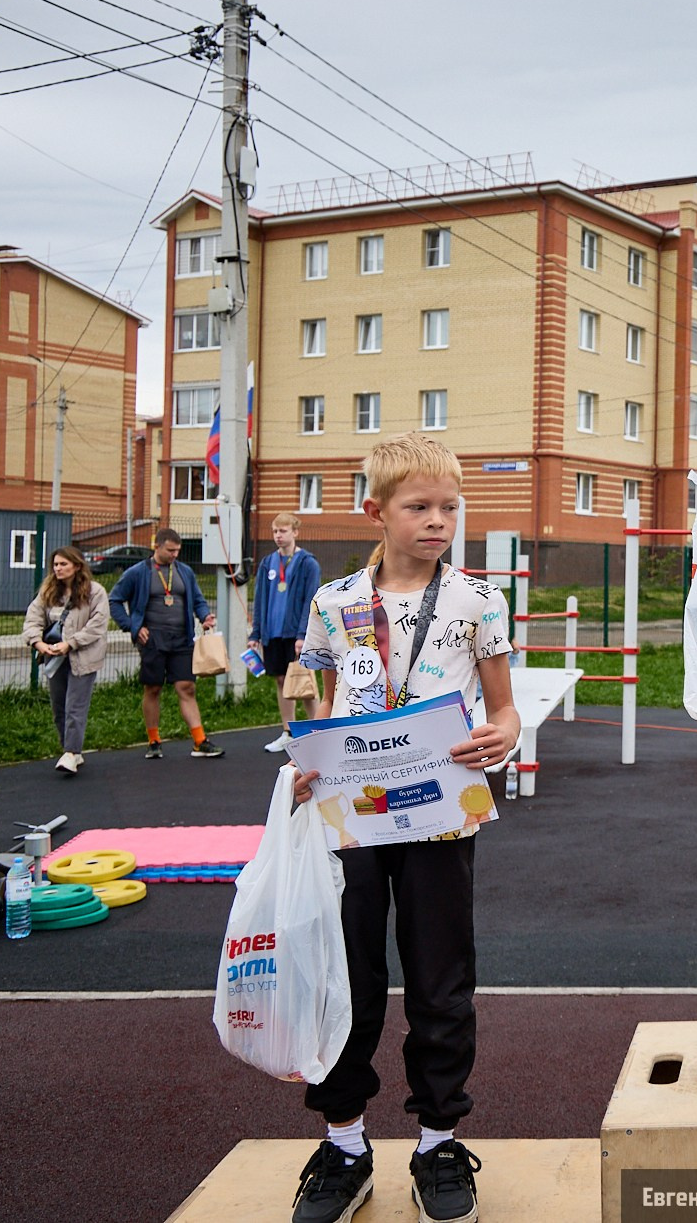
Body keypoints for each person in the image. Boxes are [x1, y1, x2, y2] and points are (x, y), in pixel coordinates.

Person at [285, 432, 520, 1223]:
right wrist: (310, 758)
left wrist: (505, 735)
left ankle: (438, 1142)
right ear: (375, 511)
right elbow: (325, 705)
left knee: (440, 976)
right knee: (343, 975)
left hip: (441, 815)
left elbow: (504, 706)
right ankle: (344, 1143)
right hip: (351, 815)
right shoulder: (333, 602)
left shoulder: (479, 600)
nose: (437, 520)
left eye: (449, 506)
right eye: (418, 506)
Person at [108, 528, 223, 759]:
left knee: (187, 687)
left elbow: (198, 600)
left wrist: (205, 616)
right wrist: (133, 626)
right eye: (170, 550)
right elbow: (115, 600)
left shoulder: (185, 572)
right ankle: (154, 740)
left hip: (181, 638)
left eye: (177, 551)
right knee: (153, 688)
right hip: (153, 639)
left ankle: (200, 741)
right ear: (157, 546)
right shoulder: (138, 573)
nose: (174, 555)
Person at [20, 547, 111, 775]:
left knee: (75, 706)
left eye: (63, 564)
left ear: (77, 566)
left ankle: (70, 752)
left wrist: (71, 643)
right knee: (58, 706)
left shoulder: (95, 592)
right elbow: (33, 617)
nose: (58, 569)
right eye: (56, 564)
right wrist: (38, 643)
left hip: (84, 656)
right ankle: (71, 750)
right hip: (54, 656)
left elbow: (97, 625)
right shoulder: (48, 591)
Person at [248, 511, 323, 753]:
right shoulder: (267, 563)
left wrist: (303, 635)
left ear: (295, 532)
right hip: (273, 633)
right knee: (281, 680)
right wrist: (255, 634)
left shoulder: (307, 563)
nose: (278, 536)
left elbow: (310, 601)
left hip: (296, 634)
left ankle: (319, 733)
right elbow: (260, 600)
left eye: (283, 531)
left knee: (304, 683)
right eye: (275, 532)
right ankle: (288, 731)